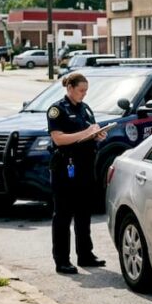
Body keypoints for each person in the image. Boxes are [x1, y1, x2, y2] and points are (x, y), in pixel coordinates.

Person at [47, 72, 108, 274]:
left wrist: (98, 135)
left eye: (86, 91)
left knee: (84, 213)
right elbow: (58, 139)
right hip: (65, 168)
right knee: (63, 215)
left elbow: (91, 130)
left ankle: (85, 254)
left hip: (85, 166)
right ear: (70, 88)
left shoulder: (85, 108)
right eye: (81, 90)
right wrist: (85, 133)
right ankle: (62, 260)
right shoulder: (57, 110)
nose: (84, 94)